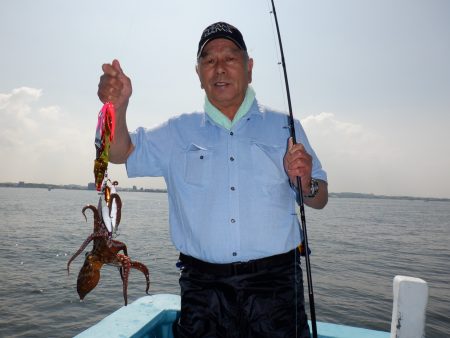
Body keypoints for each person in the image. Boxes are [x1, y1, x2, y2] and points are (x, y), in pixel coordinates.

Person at [98, 21, 327, 338]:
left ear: (249, 67)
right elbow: (119, 153)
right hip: (203, 287)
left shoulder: (285, 126)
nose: (219, 68)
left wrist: (307, 184)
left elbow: (320, 197)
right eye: (209, 60)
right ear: (198, 73)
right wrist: (118, 108)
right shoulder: (177, 130)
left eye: (230, 58)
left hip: (276, 285)